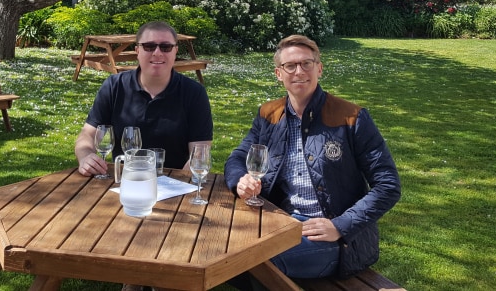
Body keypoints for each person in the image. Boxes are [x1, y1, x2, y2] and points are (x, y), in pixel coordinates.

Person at [225, 34, 401, 281]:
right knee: (221, 244)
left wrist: (340, 226)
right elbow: (239, 156)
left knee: (253, 261)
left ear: (319, 69)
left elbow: (388, 186)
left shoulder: (352, 117)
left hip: (335, 238)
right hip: (280, 221)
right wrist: (239, 181)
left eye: (306, 63)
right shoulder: (269, 114)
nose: (299, 71)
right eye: (290, 66)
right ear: (279, 74)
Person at [75, 21, 213, 176]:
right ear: (137, 51)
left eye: (166, 47)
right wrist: (86, 156)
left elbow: (200, 153)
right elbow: (87, 134)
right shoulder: (115, 86)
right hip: (123, 182)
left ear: (175, 51)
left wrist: (176, 185)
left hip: (174, 185)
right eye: (149, 46)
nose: (157, 52)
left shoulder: (194, 93)